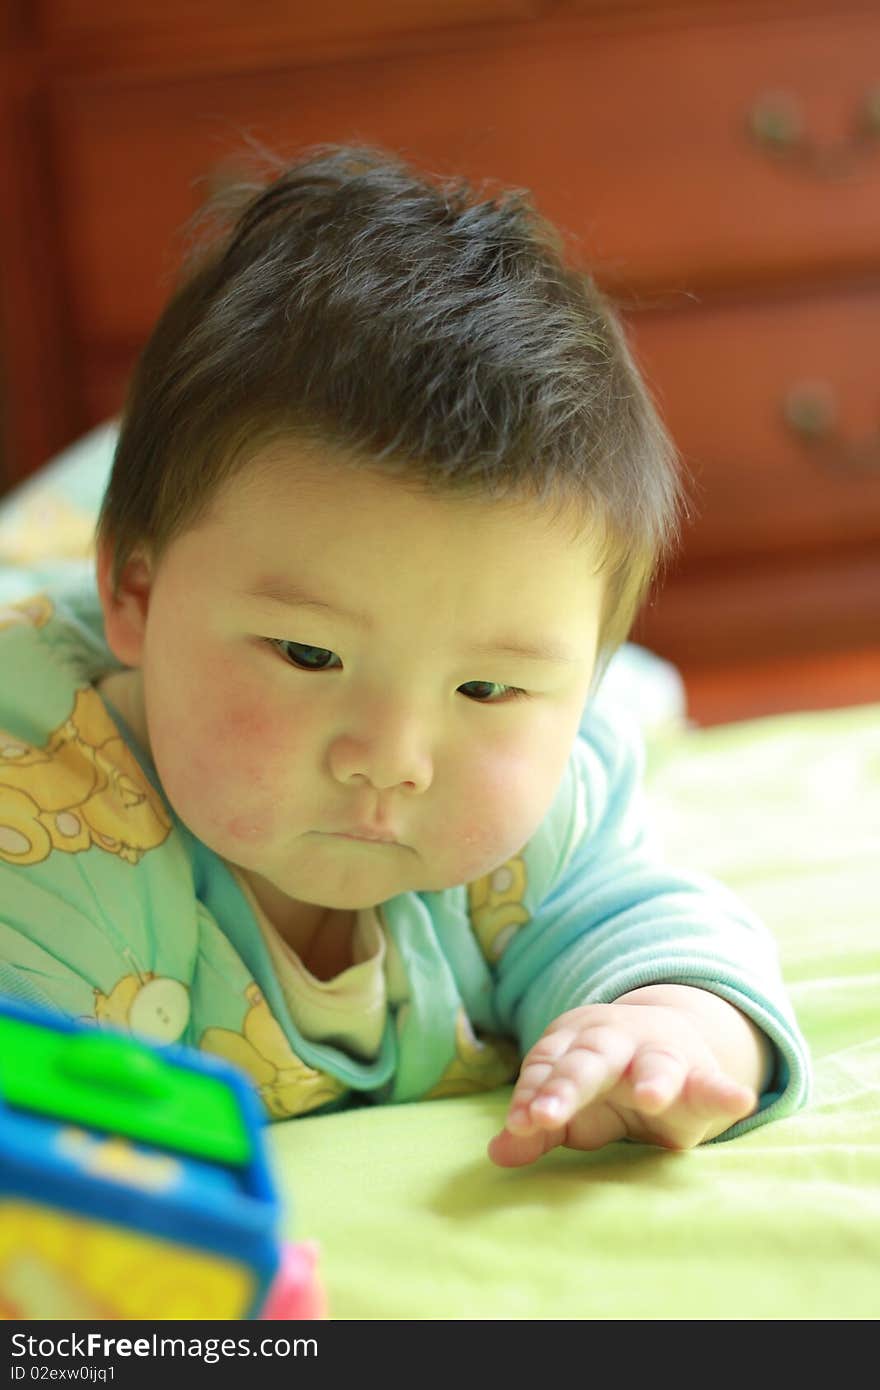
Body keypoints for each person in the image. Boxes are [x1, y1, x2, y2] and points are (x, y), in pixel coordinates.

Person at [0, 144, 809, 1167]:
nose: (391, 757)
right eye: (307, 653)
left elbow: (638, 914)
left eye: (485, 687)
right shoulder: (41, 828)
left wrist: (669, 1029)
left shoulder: (546, 787)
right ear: (139, 595)